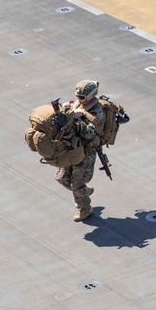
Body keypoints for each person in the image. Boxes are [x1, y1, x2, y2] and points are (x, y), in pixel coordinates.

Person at [58, 80, 105, 222]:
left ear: (91, 96)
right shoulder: (78, 104)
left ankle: (85, 209)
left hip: (87, 151)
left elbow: (91, 133)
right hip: (73, 148)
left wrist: (79, 119)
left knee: (77, 183)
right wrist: (67, 109)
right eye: (78, 96)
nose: (79, 99)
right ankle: (84, 191)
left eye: (82, 97)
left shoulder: (97, 110)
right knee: (61, 178)